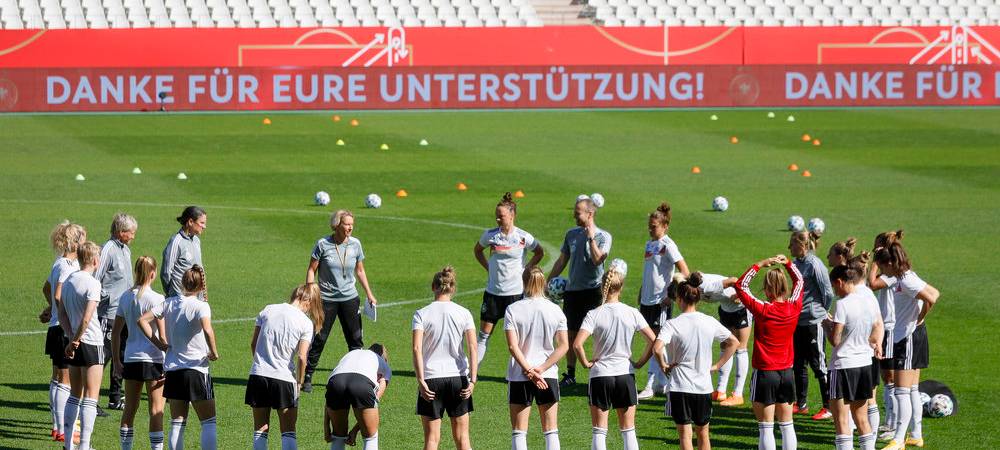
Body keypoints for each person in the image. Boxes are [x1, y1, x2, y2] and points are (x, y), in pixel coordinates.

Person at [646, 273, 738, 450]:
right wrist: (718, 366)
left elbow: (656, 348)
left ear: (679, 298)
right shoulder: (709, 321)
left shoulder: (672, 324)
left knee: (685, 436)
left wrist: (664, 365)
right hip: (703, 387)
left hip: (679, 388)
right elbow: (733, 342)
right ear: (698, 298)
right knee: (703, 434)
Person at [573, 263, 656, 450]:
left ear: (603, 286)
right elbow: (653, 340)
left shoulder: (594, 314)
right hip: (625, 374)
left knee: (599, 431)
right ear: (621, 287)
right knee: (628, 430)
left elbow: (577, 344)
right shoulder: (632, 313)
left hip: (600, 375)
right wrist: (640, 363)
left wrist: (586, 363)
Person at [139, 265, 219, 450]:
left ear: (182, 282)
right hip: (196, 369)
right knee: (208, 422)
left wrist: (160, 345)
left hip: (174, 370)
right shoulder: (201, 306)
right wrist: (213, 352)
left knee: (177, 422)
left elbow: (142, 320)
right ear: (201, 286)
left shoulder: (169, 302)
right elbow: (207, 329)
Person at [871, 243, 939, 450]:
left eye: (883, 268)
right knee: (911, 389)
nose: (884, 273)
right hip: (908, 336)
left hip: (907, 337)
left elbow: (933, 296)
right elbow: (934, 291)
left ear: (890, 264)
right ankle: (916, 434)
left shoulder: (906, 279)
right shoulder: (906, 275)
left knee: (901, 391)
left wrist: (919, 318)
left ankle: (898, 440)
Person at [303, 210, 378, 393]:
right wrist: (311, 289)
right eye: (346, 224)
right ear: (337, 225)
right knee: (319, 339)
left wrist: (369, 293)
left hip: (350, 299)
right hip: (326, 299)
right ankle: (306, 377)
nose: (350, 227)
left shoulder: (355, 244)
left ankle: (358, 375)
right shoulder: (323, 244)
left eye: (352, 224)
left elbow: (360, 270)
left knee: (355, 340)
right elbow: (312, 269)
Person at [734, 255, 803, 450]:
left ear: (767, 289)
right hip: (787, 373)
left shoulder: (763, 309)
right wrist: (788, 264)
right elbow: (800, 280)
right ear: (785, 287)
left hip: (765, 374)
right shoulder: (794, 306)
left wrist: (759, 265)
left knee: (766, 427)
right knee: (787, 425)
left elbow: (740, 286)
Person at [246, 283, 324, 450]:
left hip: (258, 375)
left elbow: (253, 344)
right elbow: (302, 357)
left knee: (260, 430)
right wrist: (300, 382)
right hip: (284, 379)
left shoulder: (268, 309)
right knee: (288, 432)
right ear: (308, 302)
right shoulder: (305, 322)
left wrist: (263, 363)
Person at [473, 192, 544, 365]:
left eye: (501, 216)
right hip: (493, 293)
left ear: (512, 215)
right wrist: (489, 267)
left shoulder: (523, 237)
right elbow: (477, 251)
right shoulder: (490, 235)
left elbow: (539, 252)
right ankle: (471, 374)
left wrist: (526, 269)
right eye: (496, 216)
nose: (498, 220)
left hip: (516, 294)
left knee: (518, 338)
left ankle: (519, 372)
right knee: (483, 336)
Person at [548, 197, 612, 388]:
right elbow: (562, 260)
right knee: (570, 333)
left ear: (590, 214)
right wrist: (548, 281)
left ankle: (600, 370)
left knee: (598, 332)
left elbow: (598, 260)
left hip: (594, 291)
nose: (574, 215)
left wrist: (591, 237)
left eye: (578, 212)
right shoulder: (571, 234)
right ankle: (570, 373)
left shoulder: (603, 236)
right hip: (573, 291)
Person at [412, 266, 478, 450]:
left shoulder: (421, 314)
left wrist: (420, 381)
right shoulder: (464, 313)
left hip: (431, 379)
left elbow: (417, 348)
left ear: (433, 286)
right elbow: (473, 347)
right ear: (453, 288)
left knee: (432, 440)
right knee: (463, 439)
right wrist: (472, 380)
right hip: (458, 378)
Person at [504, 267, 568, 450]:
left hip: (519, 375)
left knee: (519, 431)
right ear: (544, 283)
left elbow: (512, 346)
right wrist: (541, 369)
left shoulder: (513, 309)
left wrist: (529, 371)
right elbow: (564, 346)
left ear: (523, 283)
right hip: (547, 375)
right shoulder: (556, 310)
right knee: (551, 430)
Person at [823, 263, 884, 450]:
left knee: (842, 422)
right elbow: (876, 328)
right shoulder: (867, 299)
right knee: (862, 419)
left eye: (834, 286)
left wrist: (826, 324)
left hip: (842, 366)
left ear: (840, 282)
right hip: (864, 364)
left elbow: (835, 340)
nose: (835, 291)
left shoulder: (842, 304)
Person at [112, 256, 167, 450]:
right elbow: (163, 336)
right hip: (153, 359)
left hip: (131, 359)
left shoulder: (126, 297)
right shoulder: (158, 299)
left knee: (129, 409)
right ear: (152, 274)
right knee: (156, 409)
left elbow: (116, 332)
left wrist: (117, 361)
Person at [637, 202, 689, 400]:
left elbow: (684, 271)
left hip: (661, 302)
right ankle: (663, 382)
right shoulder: (649, 244)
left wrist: (672, 295)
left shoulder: (668, 245)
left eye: (654, 226)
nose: (651, 229)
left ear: (665, 226)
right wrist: (642, 290)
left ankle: (651, 384)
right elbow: (650, 271)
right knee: (654, 341)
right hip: (647, 299)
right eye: (649, 226)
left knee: (656, 341)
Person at [40, 221, 86, 443]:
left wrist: (51, 309)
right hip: (63, 330)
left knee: (57, 378)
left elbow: (46, 288)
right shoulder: (69, 266)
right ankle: (63, 429)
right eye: (84, 239)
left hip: (55, 327)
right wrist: (64, 315)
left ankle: (57, 426)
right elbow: (57, 293)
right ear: (76, 242)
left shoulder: (60, 262)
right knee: (65, 380)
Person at [58, 240, 105, 450]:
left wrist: (70, 338)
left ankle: (69, 445)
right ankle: (84, 446)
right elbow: (87, 318)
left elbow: (61, 313)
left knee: (74, 394)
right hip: (91, 342)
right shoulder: (93, 283)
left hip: (73, 343)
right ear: (95, 259)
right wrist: (77, 338)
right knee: (91, 396)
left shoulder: (68, 280)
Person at [789, 231, 835, 420]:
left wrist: (821, 312)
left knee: (819, 365)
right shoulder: (796, 264)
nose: (789, 248)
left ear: (802, 245)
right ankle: (801, 404)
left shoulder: (814, 264)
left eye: (791, 244)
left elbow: (828, 292)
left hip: (813, 321)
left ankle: (829, 406)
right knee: (798, 364)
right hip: (798, 321)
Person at [98, 213, 137, 410]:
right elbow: (96, 279)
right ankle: (90, 399)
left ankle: (115, 397)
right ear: (121, 232)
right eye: (131, 232)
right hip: (109, 314)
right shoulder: (108, 249)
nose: (133, 236)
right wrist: (106, 299)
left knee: (121, 355)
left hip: (124, 314)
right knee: (103, 356)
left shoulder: (126, 250)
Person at [867, 231, 903, 438]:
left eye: (876, 248)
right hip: (885, 326)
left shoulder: (891, 272)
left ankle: (893, 425)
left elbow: (872, 284)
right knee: (886, 376)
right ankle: (891, 422)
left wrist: (874, 262)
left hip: (889, 327)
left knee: (889, 378)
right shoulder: (890, 270)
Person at [325, 344, 392, 450]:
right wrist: (355, 430)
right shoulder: (384, 366)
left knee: (338, 436)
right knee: (371, 438)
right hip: (362, 384)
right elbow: (374, 402)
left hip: (336, 382)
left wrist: (326, 427)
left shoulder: (351, 354)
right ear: (382, 358)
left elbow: (328, 399)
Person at [701, 272, 748, 406]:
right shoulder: (692, 287)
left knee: (740, 348)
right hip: (725, 309)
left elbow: (734, 280)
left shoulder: (707, 286)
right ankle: (721, 391)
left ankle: (738, 394)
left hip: (741, 309)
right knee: (725, 345)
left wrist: (740, 294)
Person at [161, 206, 206, 299]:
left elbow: (200, 268)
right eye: (201, 223)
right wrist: (173, 295)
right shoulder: (176, 242)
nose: (204, 226)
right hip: (179, 298)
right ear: (190, 222)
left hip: (197, 297)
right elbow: (166, 272)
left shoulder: (196, 241)